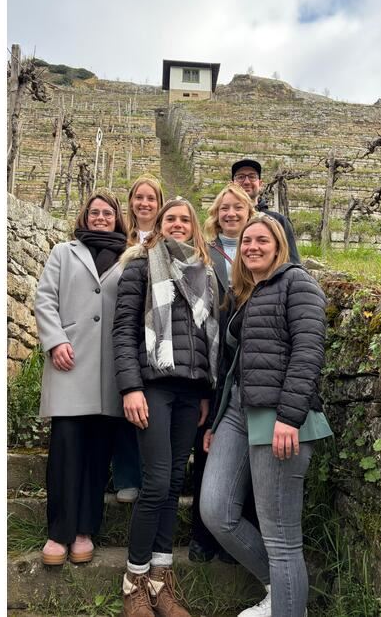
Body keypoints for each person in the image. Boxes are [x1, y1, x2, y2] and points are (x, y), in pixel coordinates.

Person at [199, 214, 333, 617]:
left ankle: (290, 607)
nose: (252, 246)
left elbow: (309, 354)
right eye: (247, 241)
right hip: (238, 414)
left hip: (279, 417)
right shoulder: (245, 294)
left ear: (279, 246)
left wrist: (289, 418)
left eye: (262, 240)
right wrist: (217, 420)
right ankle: (282, 591)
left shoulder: (298, 283)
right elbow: (236, 364)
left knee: (282, 539)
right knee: (215, 511)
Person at [112, 197, 219, 617]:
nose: (177, 224)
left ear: (194, 227)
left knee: (174, 484)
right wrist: (130, 388)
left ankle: (161, 579)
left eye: (184, 219)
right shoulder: (140, 265)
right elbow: (123, 332)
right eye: (170, 218)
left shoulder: (205, 273)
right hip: (153, 386)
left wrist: (207, 392)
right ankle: (133, 581)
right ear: (158, 224)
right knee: (156, 483)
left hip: (191, 391)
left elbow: (206, 337)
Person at [33, 192, 130, 567]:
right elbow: (45, 299)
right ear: (85, 217)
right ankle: (58, 533)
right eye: (95, 213)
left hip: (109, 370)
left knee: (96, 455)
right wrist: (56, 340)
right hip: (70, 363)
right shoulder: (63, 252)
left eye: (108, 212)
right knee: (66, 452)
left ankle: (85, 530)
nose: (102, 217)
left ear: (116, 218)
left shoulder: (130, 255)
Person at [188, 183, 257, 564]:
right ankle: (202, 536)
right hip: (213, 362)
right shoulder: (205, 252)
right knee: (206, 449)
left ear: (250, 213)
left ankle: (236, 539)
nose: (230, 213)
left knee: (245, 458)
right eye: (224, 208)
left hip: (245, 362)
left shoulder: (260, 249)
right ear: (215, 214)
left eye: (238, 208)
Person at [112, 175, 167, 503]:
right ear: (130, 202)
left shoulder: (167, 240)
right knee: (124, 401)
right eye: (139, 197)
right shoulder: (119, 239)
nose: (145, 203)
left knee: (153, 406)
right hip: (122, 328)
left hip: (156, 334)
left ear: (159, 205)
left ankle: (151, 475)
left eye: (152, 198)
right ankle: (126, 475)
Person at [229, 159, 301, 264]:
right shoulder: (222, 221)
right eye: (240, 177)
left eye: (252, 176)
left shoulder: (278, 221)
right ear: (231, 184)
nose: (246, 181)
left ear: (260, 183)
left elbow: (293, 264)